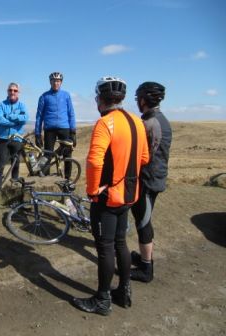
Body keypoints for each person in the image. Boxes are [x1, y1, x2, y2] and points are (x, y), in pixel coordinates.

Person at [72, 77, 149, 316]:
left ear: (99, 99)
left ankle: (102, 299)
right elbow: (145, 158)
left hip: (107, 196)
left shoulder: (105, 123)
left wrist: (93, 190)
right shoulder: (137, 122)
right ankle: (123, 291)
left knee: (104, 247)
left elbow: (95, 160)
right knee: (120, 243)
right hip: (128, 193)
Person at [130, 82, 172, 283]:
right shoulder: (160, 119)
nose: (137, 102)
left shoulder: (150, 122)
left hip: (148, 180)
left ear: (143, 100)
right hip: (155, 177)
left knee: (143, 221)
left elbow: (143, 155)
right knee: (143, 219)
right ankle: (144, 259)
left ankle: (146, 268)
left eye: (138, 98)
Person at [34, 72, 76, 179]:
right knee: (47, 154)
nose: (55, 83)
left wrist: (73, 132)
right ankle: (45, 178)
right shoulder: (44, 96)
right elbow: (39, 116)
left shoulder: (66, 95)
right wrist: (37, 134)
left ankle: (67, 179)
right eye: (53, 81)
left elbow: (71, 113)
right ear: (50, 82)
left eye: (58, 81)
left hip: (64, 128)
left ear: (61, 82)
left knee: (67, 154)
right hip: (49, 129)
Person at [0, 83, 29, 189]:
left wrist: (9, 116)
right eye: (10, 90)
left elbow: (25, 118)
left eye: (15, 90)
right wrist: (15, 122)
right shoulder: (1, 105)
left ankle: (14, 186)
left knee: (16, 164)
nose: (12, 92)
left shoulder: (22, 105)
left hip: (17, 138)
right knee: (1, 165)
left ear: (18, 92)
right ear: (7, 91)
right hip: (2, 139)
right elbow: (0, 120)